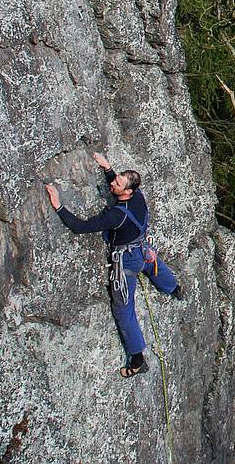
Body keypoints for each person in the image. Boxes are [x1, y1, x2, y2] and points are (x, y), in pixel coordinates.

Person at [44, 151, 184, 378]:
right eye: (116, 178)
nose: (113, 183)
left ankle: (137, 359)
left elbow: (80, 227)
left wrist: (59, 206)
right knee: (151, 263)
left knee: (123, 308)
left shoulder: (116, 216)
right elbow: (119, 186)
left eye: (117, 182)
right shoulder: (137, 197)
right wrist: (107, 167)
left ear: (127, 191)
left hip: (127, 261)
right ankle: (174, 288)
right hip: (141, 249)